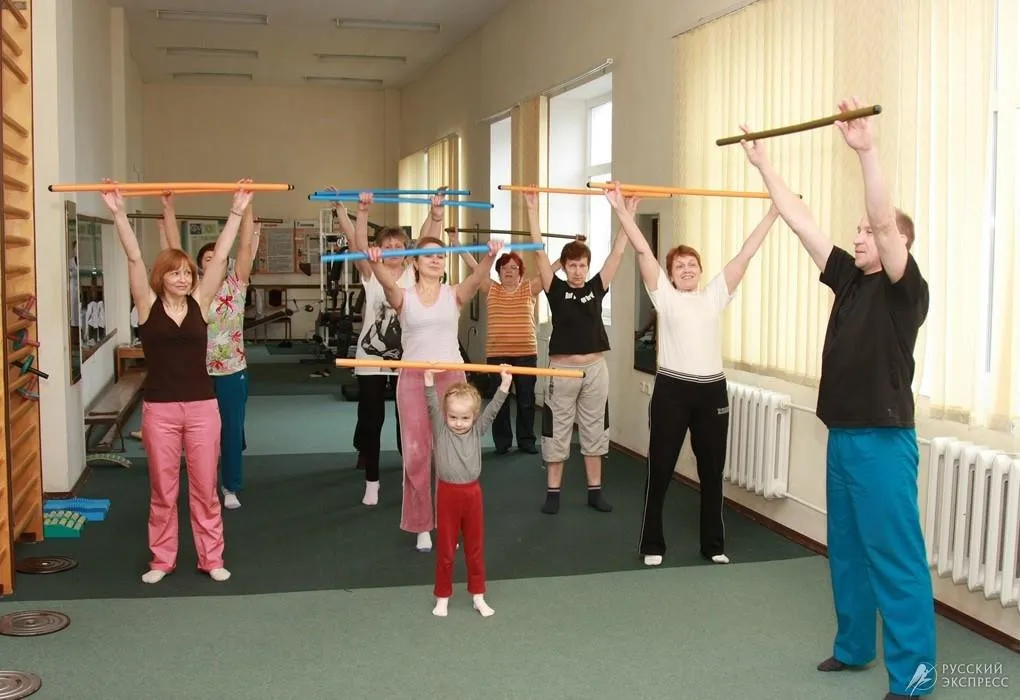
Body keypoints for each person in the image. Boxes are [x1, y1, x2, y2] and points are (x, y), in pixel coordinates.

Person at [740, 98, 935, 700]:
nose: (860, 235)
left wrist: (867, 152)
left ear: (899, 244)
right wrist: (765, 166)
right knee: (847, 552)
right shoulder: (849, 279)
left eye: (870, 232)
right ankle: (854, 647)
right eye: (858, 230)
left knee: (894, 559)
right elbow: (800, 220)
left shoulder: (906, 290)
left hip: (883, 442)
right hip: (843, 438)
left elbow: (884, 220)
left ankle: (915, 677)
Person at [605, 184, 779, 566]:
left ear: (700, 270)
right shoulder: (665, 297)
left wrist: (773, 213)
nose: (686, 269)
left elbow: (746, 254)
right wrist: (622, 212)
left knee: (712, 472)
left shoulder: (714, 295)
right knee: (660, 468)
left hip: (712, 392)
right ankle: (652, 545)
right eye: (679, 266)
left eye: (692, 265)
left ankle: (713, 545)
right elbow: (643, 251)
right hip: (673, 390)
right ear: (670, 275)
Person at [102, 179, 253, 584]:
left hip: (202, 407)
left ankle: (212, 558)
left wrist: (237, 210)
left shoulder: (201, 303)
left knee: (205, 489)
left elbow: (220, 259)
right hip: (160, 410)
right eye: (176, 273)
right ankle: (161, 560)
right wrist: (118, 212)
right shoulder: (146, 305)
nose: (185, 279)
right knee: (163, 491)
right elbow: (134, 256)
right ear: (162, 276)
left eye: (188, 273)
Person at [366, 236, 503, 552]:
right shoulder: (404, 296)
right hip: (414, 380)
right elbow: (385, 282)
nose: (435, 259)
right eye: (428, 255)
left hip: (450, 378)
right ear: (414, 261)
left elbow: (477, 278)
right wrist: (374, 260)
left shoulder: (454, 294)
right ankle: (421, 525)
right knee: (417, 456)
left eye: (440, 255)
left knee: (450, 455)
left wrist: (490, 257)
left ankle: (448, 523)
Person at [525, 191, 629, 515]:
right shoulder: (555, 289)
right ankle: (553, 493)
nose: (578, 271)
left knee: (595, 429)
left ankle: (595, 492)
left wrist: (624, 212)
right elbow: (538, 251)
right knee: (556, 430)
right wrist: (532, 208)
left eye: (582, 265)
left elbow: (617, 253)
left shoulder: (597, 287)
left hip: (595, 369)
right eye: (572, 266)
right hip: (562, 370)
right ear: (565, 267)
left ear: (587, 266)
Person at [160, 190, 259, 510]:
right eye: (206, 258)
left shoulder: (237, 283)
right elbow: (174, 250)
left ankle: (230, 486)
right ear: (201, 266)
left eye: (218, 256)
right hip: (198, 373)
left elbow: (245, 246)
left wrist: (248, 205)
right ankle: (202, 488)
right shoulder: (192, 290)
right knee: (199, 436)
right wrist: (169, 209)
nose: (214, 260)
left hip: (231, 370)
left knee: (231, 431)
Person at [447, 228, 573, 454]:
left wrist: (571, 248)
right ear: (498, 271)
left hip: (526, 354)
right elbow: (474, 266)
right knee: (501, 400)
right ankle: (502, 442)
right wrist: (455, 242)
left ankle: (526, 440)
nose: (509, 271)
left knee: (526, 400)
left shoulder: (529, 288)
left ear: (520, 273)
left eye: (514, 268)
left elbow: (550, 269)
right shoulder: (490, 288)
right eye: (505, 267)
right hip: (497, 354)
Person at [334, 191, 419, 506]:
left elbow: (430, 238)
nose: (393, 249)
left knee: (406, 417)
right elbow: (356, 242)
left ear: (408, 252)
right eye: (388, 245)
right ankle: (371, 476)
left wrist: (437, 214)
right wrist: (359, 211)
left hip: (407, 357)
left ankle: (409, 471)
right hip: (370, 357)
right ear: (378, 249)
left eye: (399, 245)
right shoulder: (371, 272)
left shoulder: (414, 273)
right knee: (371, 419)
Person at [424, 364, 511, 618]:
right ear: (445, 415)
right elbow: (431, 404)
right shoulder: (441, 429)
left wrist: (505, 385)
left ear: (474, 416)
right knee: (446, 549)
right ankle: (442, 597)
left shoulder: (477, 430)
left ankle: (478, 596)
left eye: (465, 418)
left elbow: (493, 410)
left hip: (472, 495)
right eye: (453, 417)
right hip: (447, 495)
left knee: (475, 548)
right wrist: (428, 379)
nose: (459, 423)